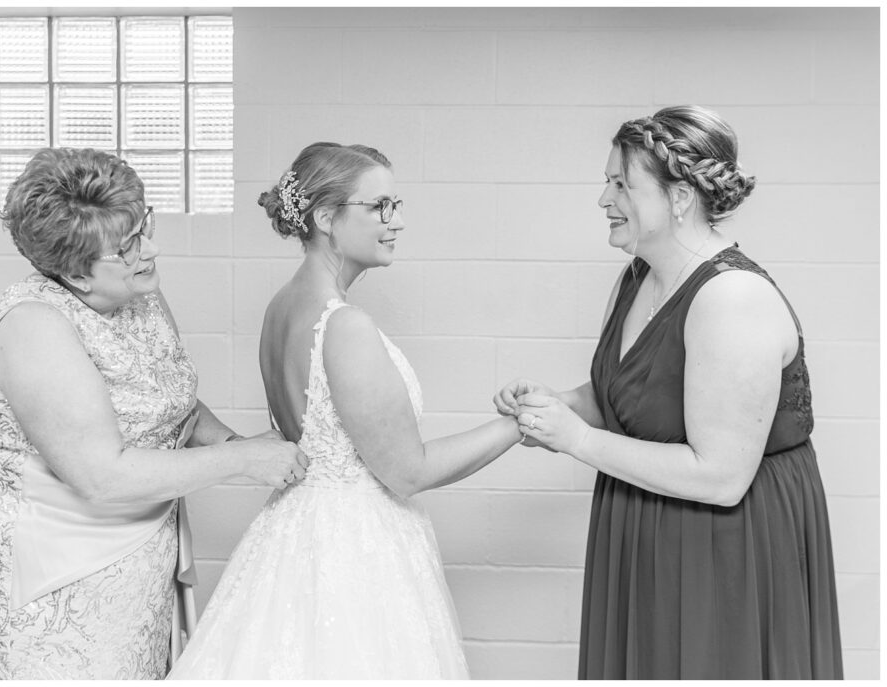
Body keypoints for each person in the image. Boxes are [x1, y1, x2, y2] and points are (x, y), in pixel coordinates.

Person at [494, 106, 843, 679]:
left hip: (726, 544)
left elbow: (721, 477)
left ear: (679, 198)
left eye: (620, 184)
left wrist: (576, 438)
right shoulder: (636, 277)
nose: (603, 200)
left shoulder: (732, 298)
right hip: (641, 521)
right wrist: (558, 404)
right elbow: (633, 396)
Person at [0, 148, 307, 680]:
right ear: (74, 272)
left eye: (143, 226)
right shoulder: (34, 329)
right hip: (48, 569)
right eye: (127, 245)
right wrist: (244, 462)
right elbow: (100, 475)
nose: (149, 249)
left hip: (134, 553)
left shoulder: (135, 294)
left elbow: (166, 399)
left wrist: (228, 442)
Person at [167, 142, 524, 679]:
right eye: (379, 206)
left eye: (396, 204)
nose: (397, 220)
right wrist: (518, 426)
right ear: (327, 218)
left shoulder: (282, 306)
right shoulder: (344, 324)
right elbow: (408, 471)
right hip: (353, 549)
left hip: (293, 529)